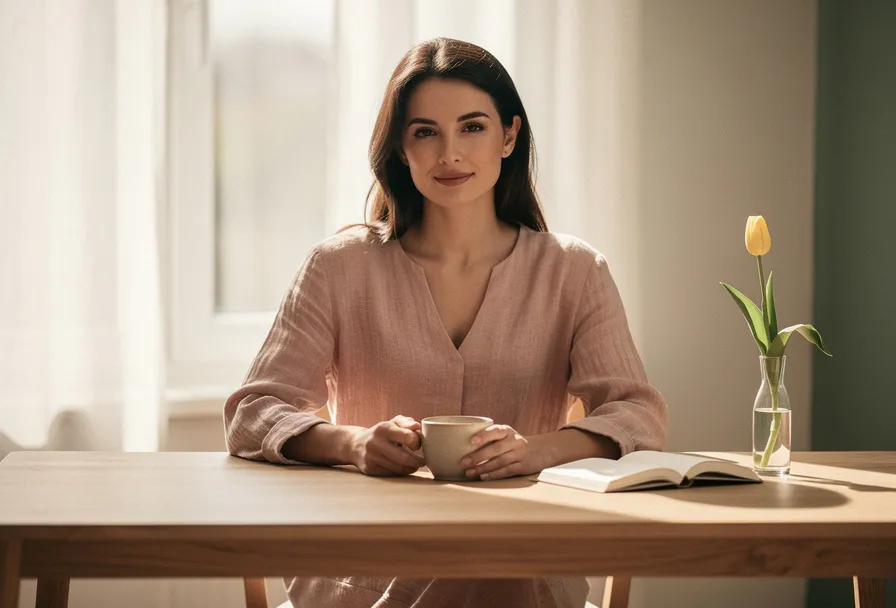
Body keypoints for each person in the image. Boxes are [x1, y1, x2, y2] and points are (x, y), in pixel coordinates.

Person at [224, 37, 667, 608]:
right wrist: (354, 444)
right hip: (366, 578)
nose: (449, 153)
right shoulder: (337, 267)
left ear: (509, 135)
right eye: (425, 132)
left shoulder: (574, 271)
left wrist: (538, 450)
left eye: (473, 127)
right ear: (401, 151)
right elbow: (253, 411)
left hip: (522, 573)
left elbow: (639, 414)